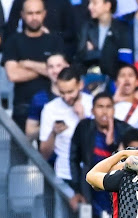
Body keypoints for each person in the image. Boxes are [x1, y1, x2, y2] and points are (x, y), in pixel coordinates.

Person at [69, 93, 136, 215]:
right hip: (92, 186)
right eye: (100, 107)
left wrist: (113, 144)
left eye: (108, 107)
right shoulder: (84, 127)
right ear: (92, 110)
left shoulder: (124, 130)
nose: (104, 111)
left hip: (117, 185)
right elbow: (74, 159)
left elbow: (132, 160)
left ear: (114, 110)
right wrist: (77, 190)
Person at [2, 0, 64, 129]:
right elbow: (13, 75)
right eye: (30, 13)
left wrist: (27, 63)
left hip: (53, 104)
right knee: (19, 148)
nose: (34, 17)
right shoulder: (13, 41)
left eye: (37, 13)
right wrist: (46, 69)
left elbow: (60, 72)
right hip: (23, 106)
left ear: (44, 14)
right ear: (22, 15)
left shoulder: (55, 41)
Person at [39, 68, 93, 187]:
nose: (66, 97)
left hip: (91, 173)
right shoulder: (50, 109)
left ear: (80, 85)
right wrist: (53, 133)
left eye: (70, 92)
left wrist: (83, 118)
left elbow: (96, 143)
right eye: (62, 92)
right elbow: (44, 153)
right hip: (64, 174)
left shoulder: (94, 104)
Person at [76, 0, 130, 80]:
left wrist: (95, 52)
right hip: (90, 77)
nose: (89, 7)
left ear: (107, 5)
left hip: (115, 78)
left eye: (94, 3)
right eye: (89, 3)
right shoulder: (87, 27)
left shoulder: (122, 29)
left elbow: (124, 59)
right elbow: (81, 56)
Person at [25, 53, 69, 142]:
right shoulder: (39, 98)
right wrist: (48, 125)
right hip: (48, 153)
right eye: (51, 67)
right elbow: (29, 135)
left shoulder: (82, 94)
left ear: (67, 66)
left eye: (59, 66)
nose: (55, 70)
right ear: (46, 70)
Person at [113, 64, 138, 129]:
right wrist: (113, 102)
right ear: (116, 83)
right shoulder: (108, 107)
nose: (127, 79)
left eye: (130, 75)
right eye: (122, 76)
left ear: (137, 82)